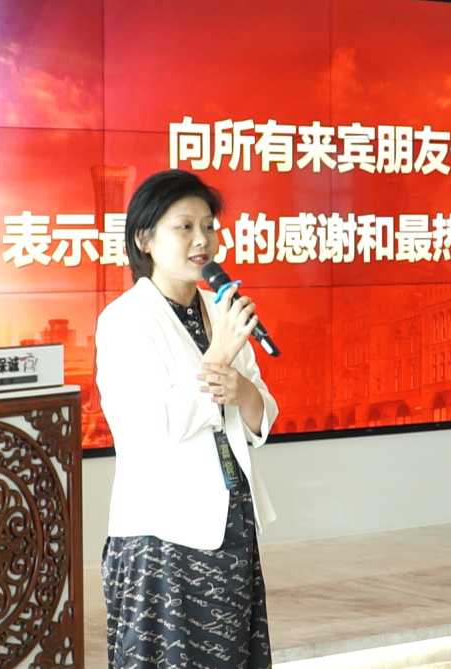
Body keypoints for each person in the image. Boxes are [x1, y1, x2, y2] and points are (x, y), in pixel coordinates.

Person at [95, 169, 279, 668]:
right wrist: (219, 354)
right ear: (144, 239)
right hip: (162, 534)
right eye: (185, 227)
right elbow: (151, 427)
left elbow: (261, 415)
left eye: (209, 226)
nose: (203, 239)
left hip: (231, 521)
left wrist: (243, 392)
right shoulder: (125, 320)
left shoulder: (220, 311)